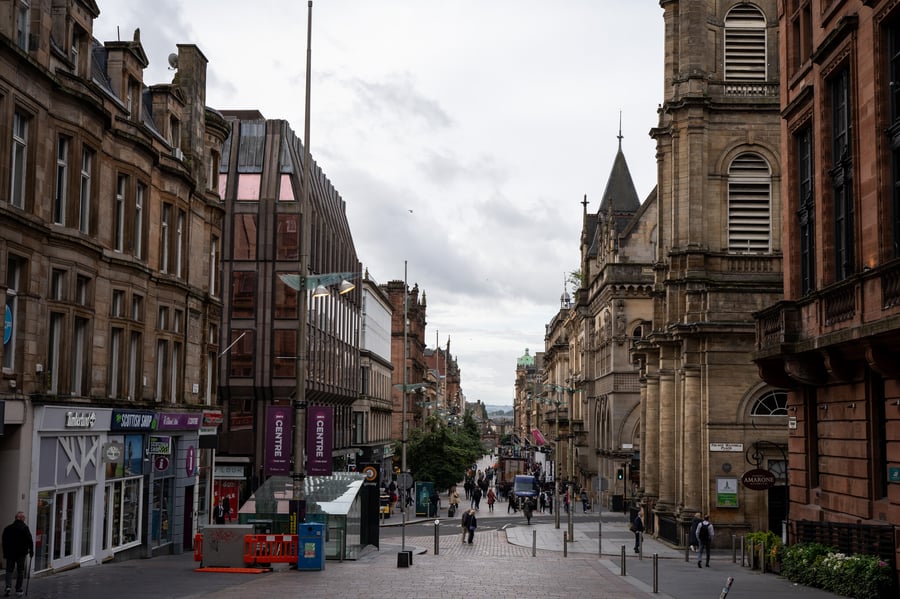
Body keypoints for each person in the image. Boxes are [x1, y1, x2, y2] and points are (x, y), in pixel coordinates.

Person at [3, 511, 34, 598]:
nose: (25, 519)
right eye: (24, 517)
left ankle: (8, 587)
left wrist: (5, 552)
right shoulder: (24, 528)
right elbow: (30, 540)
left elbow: (4, 542)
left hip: (10, 553)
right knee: (20, 570)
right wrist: (31, 551)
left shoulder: (7, 528)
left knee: (9, 570)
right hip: (21, 553)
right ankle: (18, 589)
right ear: (20, 518)